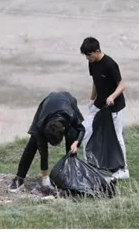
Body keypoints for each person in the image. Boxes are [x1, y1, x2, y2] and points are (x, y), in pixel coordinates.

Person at [8, 91, 85, 192]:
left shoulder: (71, 115)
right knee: (32, 143)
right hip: (47, 106)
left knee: (72, 138)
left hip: (67, 101)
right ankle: (19, 178)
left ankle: (71, 177)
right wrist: (45, 177)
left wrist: (76, 143)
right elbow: (43, 151)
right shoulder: (41, 125)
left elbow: (82, 129)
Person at [79, 37, 129, 179]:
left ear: (96, 51)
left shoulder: (110, 64)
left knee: (116, 137)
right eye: (85, 55)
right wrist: (92, 99)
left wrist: (112, 96)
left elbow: (122, 85)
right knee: (87, 130)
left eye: (88, 55)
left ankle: (123, 169)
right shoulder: (92, 63)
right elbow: (95, 81)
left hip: (115, 107)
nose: (87, 58)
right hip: (98, 104)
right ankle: (89, 163)